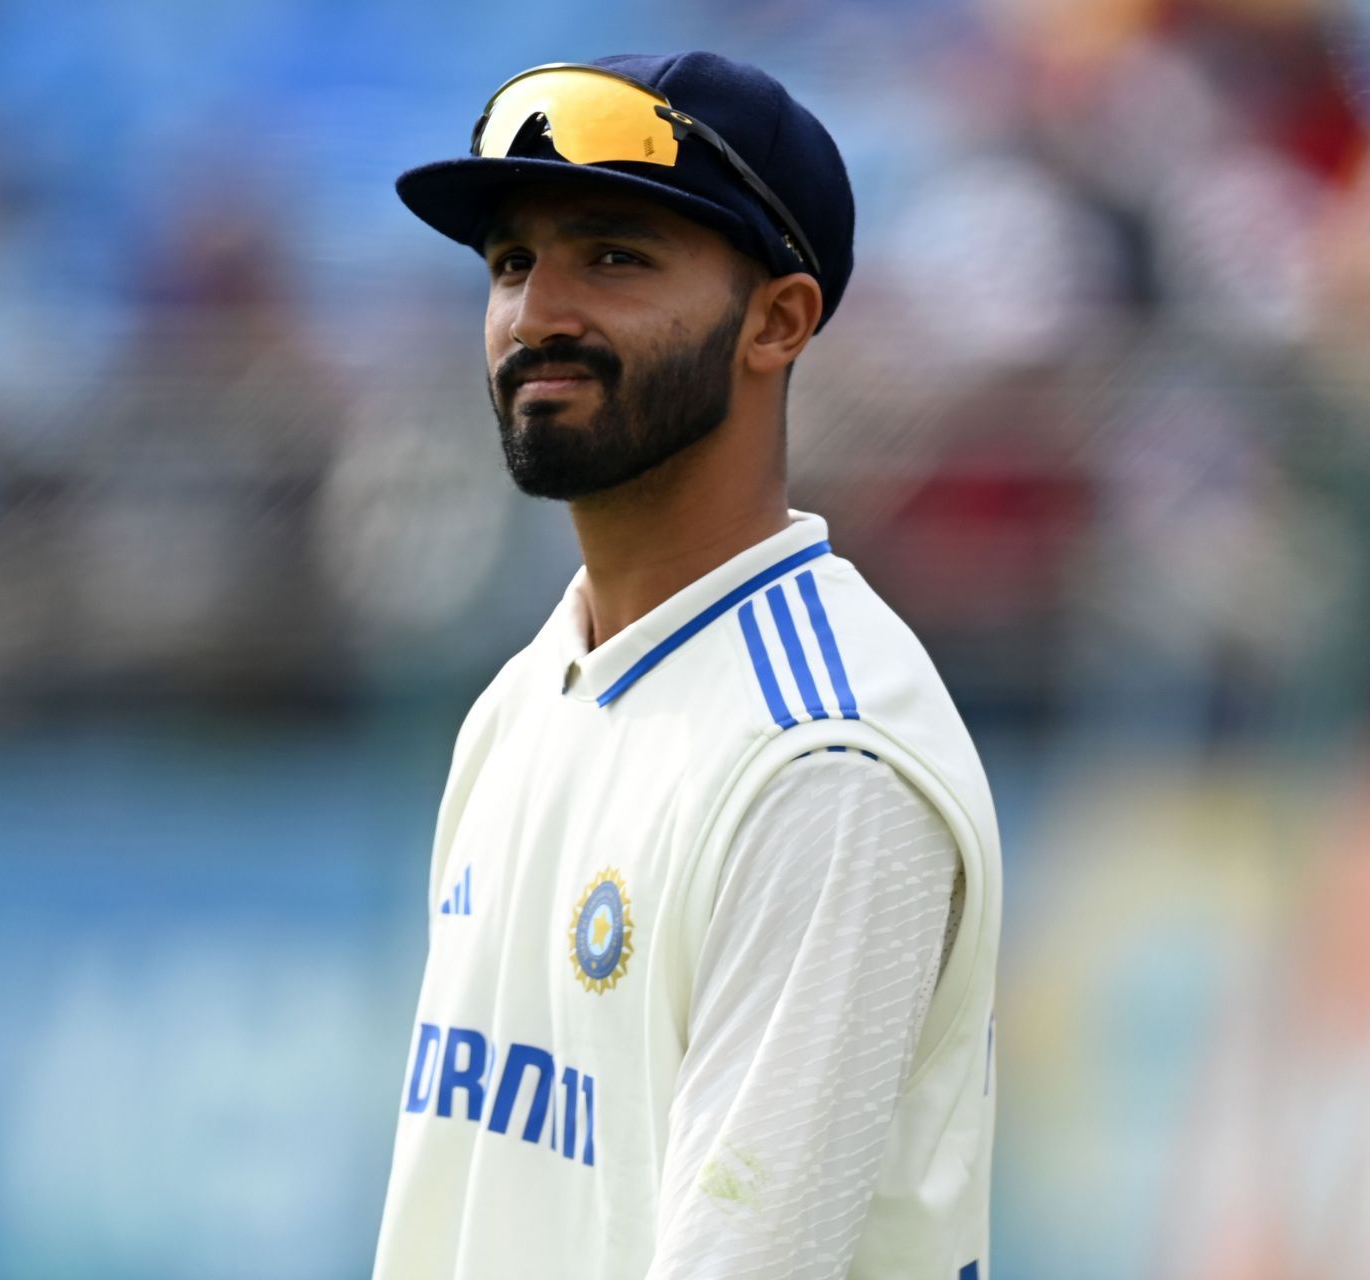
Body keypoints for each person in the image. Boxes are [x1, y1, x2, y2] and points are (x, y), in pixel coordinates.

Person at [375, 52, 1002, 1279]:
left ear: (778, 320)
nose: (537, 311)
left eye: (614, 255)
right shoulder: (523, 699)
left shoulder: (821, 760)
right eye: (512, 262)